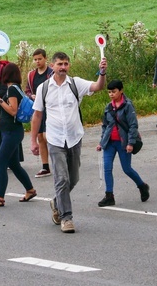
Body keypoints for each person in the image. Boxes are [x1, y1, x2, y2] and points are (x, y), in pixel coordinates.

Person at [30, 52, 107, 234]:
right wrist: (33, 140)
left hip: (74, 138)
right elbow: (37, 115)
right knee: (62, 179)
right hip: (55, 139)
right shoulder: (44, 88)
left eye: (66, 64)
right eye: (59, 64)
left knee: (73, 178)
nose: (63, 67)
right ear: (52, 65)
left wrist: (102, 73)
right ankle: (66, 217)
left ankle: (57, 202)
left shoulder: (75, 83)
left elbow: (97, 87)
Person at [0, 63, 37, 207]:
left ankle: (0, 197)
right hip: (10, 131)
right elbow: (5, 114)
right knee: (14, 164)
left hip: (12, 133)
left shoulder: (13, 90)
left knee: (1, 161)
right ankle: (30, 190)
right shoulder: (13, 89)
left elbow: (13, 111)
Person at [96, 79, 150, 207]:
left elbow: (133, 125)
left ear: (121, 91)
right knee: (107, 168)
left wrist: (130, 143)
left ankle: (142, 186)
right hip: (110, 143)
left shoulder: (128, 106)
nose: (111, 94)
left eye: (114, 92)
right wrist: (101, 142)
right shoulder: (108, 107)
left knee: (127, 169)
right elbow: (105, 126)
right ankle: (109, 196)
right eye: (109, 92)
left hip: (123, 143)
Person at [25, 48, 54, 178]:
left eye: (40, 59)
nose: (37, 62)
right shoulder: (31, 75)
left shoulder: (52, 73)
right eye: (35, 59)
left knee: (49, 137)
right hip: (38, 108)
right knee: (40, 137)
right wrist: (31, 96)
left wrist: (43, 96)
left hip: (51, 108)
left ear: (45, 58)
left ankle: (61, 162)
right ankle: (45, 166)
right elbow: (27, 90)